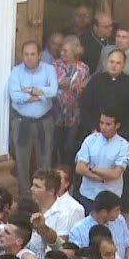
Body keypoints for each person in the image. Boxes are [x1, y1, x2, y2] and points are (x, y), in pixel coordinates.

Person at [7, 41, 58, 198]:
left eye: (33, 54)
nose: (29, 58)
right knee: (22, 161)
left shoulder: (49, 69)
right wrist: (40, 94)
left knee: (45, 158)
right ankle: (25, 195)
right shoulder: (16, 72)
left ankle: (44, 194)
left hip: (44, 122)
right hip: (21, 122)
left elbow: (53, 91)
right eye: (26, 54)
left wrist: (29, 91)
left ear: (39, 55)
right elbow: (15, 96)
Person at [74, 112, 129, 213]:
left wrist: (92, 168)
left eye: (108, 124)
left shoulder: (123, 146)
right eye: (101, 123)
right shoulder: (90, 140)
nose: (103, 127)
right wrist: (101, 178)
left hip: (110, 199)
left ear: (117, 125)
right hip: (88, 195)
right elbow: (79, 168)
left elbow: (115, 174)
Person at [52, 35, 90, 165]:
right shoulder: (55, 65)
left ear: (75, 51)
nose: (62, 53)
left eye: (65, 50)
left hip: (74, 114)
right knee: (54, 145)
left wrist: (79, 89)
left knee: (69, 147)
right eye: (61, 50)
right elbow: (52, 83)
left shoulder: (83, 68)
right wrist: (61, 84)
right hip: (56, 112)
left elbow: (84, 88)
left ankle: (67, 172)